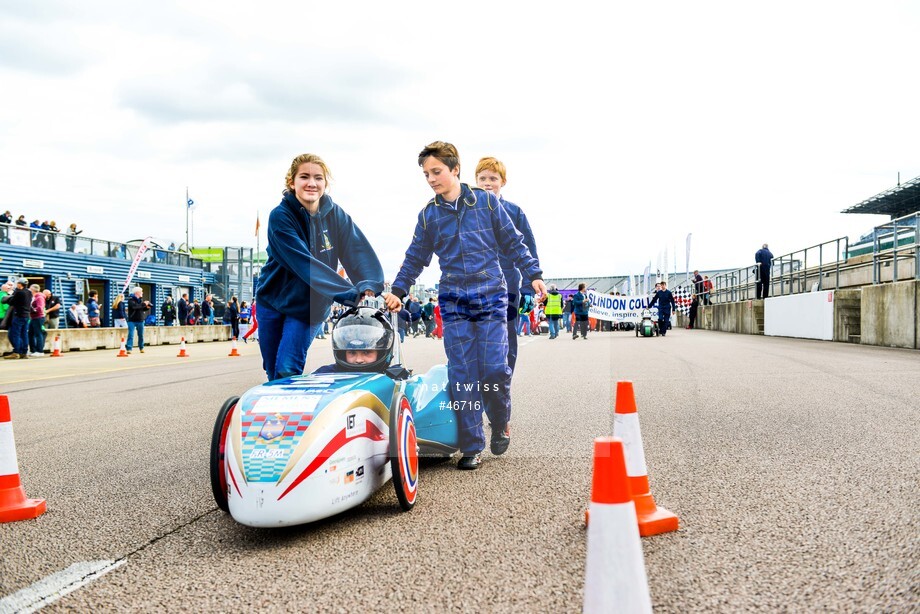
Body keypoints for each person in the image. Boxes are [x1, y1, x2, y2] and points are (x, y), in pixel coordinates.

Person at [382, 141, 544, 470]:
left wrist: (533, 275)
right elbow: (415, 258)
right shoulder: (429, 215)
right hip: (454, 297)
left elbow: (514, 242)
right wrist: (399, 288)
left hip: (490, 293)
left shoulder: (485, 203)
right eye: (426, 174)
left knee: (495, 367)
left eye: (437, 171)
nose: (431, 179)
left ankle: (500, 422)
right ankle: (472, 445)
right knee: (462, 373)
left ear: (455, 169)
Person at [256, 153, 386, 382]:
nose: (311, 183)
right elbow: (303, 263)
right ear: (292, 182)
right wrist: (346, 291)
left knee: (287, 368)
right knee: (272, 367)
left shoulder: (336, 215)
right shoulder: (280, 217)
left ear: (325, 184)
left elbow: (357, 250)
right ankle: (279, 413)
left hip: (310, 305)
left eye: (318, 178)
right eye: (304, 177)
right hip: (273, 300)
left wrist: (367, 283)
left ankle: (287, 415)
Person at [475, 156, 541, 378]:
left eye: (493, 178)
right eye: (482, 178)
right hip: (474, 285)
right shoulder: (466, 212)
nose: (487, 183)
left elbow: (528, 249)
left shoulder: (514, 212)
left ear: (503, 181)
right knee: (475, 339)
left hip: (508, 286)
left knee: (507, 337)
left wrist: (528, 287)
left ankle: (503, 383)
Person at [312, 306, 395, 375]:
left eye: (366, 352)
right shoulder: (325, 374)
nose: (358, 360)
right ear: (343, 353)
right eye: (352, 352)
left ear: (381, 353)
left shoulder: (395, 377)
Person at [2, 279, 32, 359]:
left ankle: (16, 352)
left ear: (20, 284)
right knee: (24, 334)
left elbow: (11, 301)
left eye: (17, 283)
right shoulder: (29, 292)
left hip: (18, 315)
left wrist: (10, 296)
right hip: (26, 315)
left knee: (16, 334)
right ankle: (24, 352)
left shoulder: (19, 293)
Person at [125, 287, 150, 353]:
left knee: (141, 335)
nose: (142, 293)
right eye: (141, 291)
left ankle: (141, 347)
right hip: (132, 320)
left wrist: (146, 307)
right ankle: (129, 348)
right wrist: (144, 304)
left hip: (140, 320)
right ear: (137, 292)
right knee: (131, 335)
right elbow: (135, 307)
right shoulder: (131, 300)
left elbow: (141, 308)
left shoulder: (141, 300)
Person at [28, 284, 46, 356]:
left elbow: (40, 308)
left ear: (33, 290)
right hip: (33, 317)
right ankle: (33, 350)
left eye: (30, 289)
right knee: (31, 333)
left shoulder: (39, 297)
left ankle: (40, 351)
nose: (29, 290)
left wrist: (32, 310)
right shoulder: (34, 297)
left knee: (38, 334)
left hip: (38, 317)